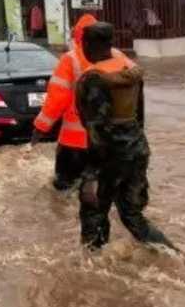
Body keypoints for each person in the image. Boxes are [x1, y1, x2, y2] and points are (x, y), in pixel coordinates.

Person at [73, 21, 174, 251]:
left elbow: (97, 128)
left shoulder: (93, 79)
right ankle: (176, 257)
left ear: (88, 45)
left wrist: (91, 176)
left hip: (109, 156)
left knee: (93, 213)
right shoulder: (130, 71)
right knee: (132, 216)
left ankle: (93, 268)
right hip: (137, 149)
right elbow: (140, 116)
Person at [31, 14, 128, 191]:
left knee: (64, 191)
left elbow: (57, 99)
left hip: (74, 144)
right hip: (110, 142)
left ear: (78, 36)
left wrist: (40, 128)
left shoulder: (70, 59)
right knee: (105, 191)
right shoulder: (120, 57)